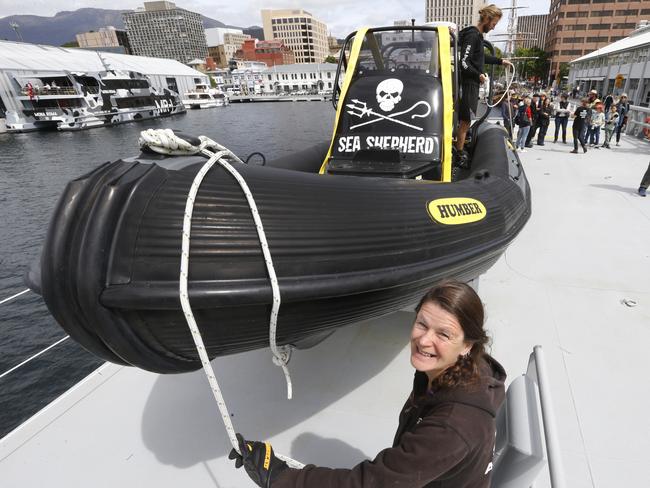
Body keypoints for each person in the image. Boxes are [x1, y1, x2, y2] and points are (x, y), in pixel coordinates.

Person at [229, 281, 506, 488]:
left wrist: (281, 477)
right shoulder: (456, 371)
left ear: (467, 345)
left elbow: (371, 484)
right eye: (422, 324)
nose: (424, 340)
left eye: (443, 334)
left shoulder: (453, 426)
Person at [455, 4, 512, 166]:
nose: (493, 28)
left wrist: (500, 61)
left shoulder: (478, 37)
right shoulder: (473, 36)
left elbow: (480, 58)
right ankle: (459, 154)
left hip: (472, 84)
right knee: (465, 120)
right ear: (486, 19)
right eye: (493, 24)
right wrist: (478, 75)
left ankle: (460, 149)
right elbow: (464, 62)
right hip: (468, 84)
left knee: (467, 120)